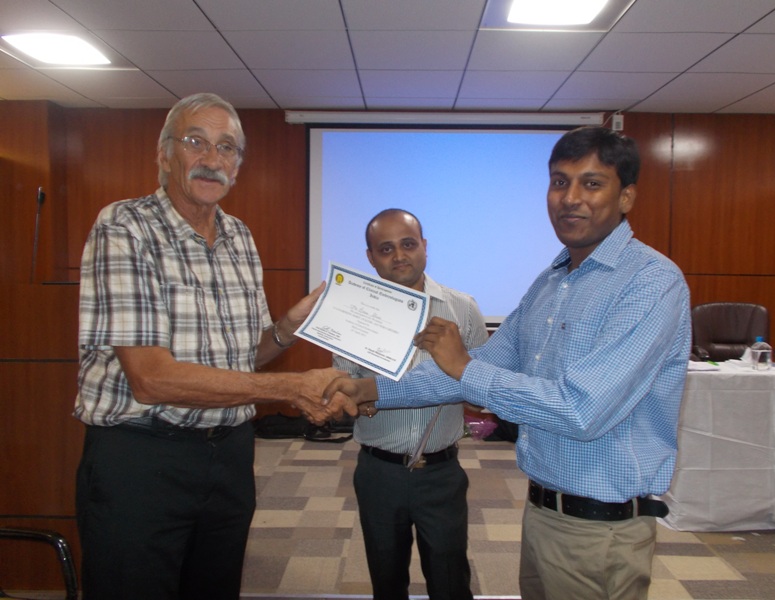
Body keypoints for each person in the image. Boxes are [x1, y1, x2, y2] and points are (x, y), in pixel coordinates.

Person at [325, 126, 692, 600]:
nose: (570, 198)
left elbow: (580, 410)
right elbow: (472, 367)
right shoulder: (550, 283)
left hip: (601, 528)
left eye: (591, 183)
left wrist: (465, 368)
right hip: (542, 510)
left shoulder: (650, 282)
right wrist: (368, 390)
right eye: (559, 182)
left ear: (626, 197)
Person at [74, 92, 352, 600]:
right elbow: (151, 378)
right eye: (195, 141)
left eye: (227, 147)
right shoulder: (125, 227)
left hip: (228, 459)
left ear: (238, 166)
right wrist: (291, 388)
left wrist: (287, 327)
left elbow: (243, 360)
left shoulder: (239, 237)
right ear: (164, 155)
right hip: (142, 457)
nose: (211, 158)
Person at [335, 209, 487, 600]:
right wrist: (364, 401)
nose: (399, 256)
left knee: (451, 582)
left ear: (425, 247)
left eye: (408, 244)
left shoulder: (461, 308)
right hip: (379, 472)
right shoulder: (354, 310)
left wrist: (457, 365)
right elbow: (345, 389)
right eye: (386, 249)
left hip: (441, 472)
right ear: (370, 257)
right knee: (386, 582)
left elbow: (483, 389)